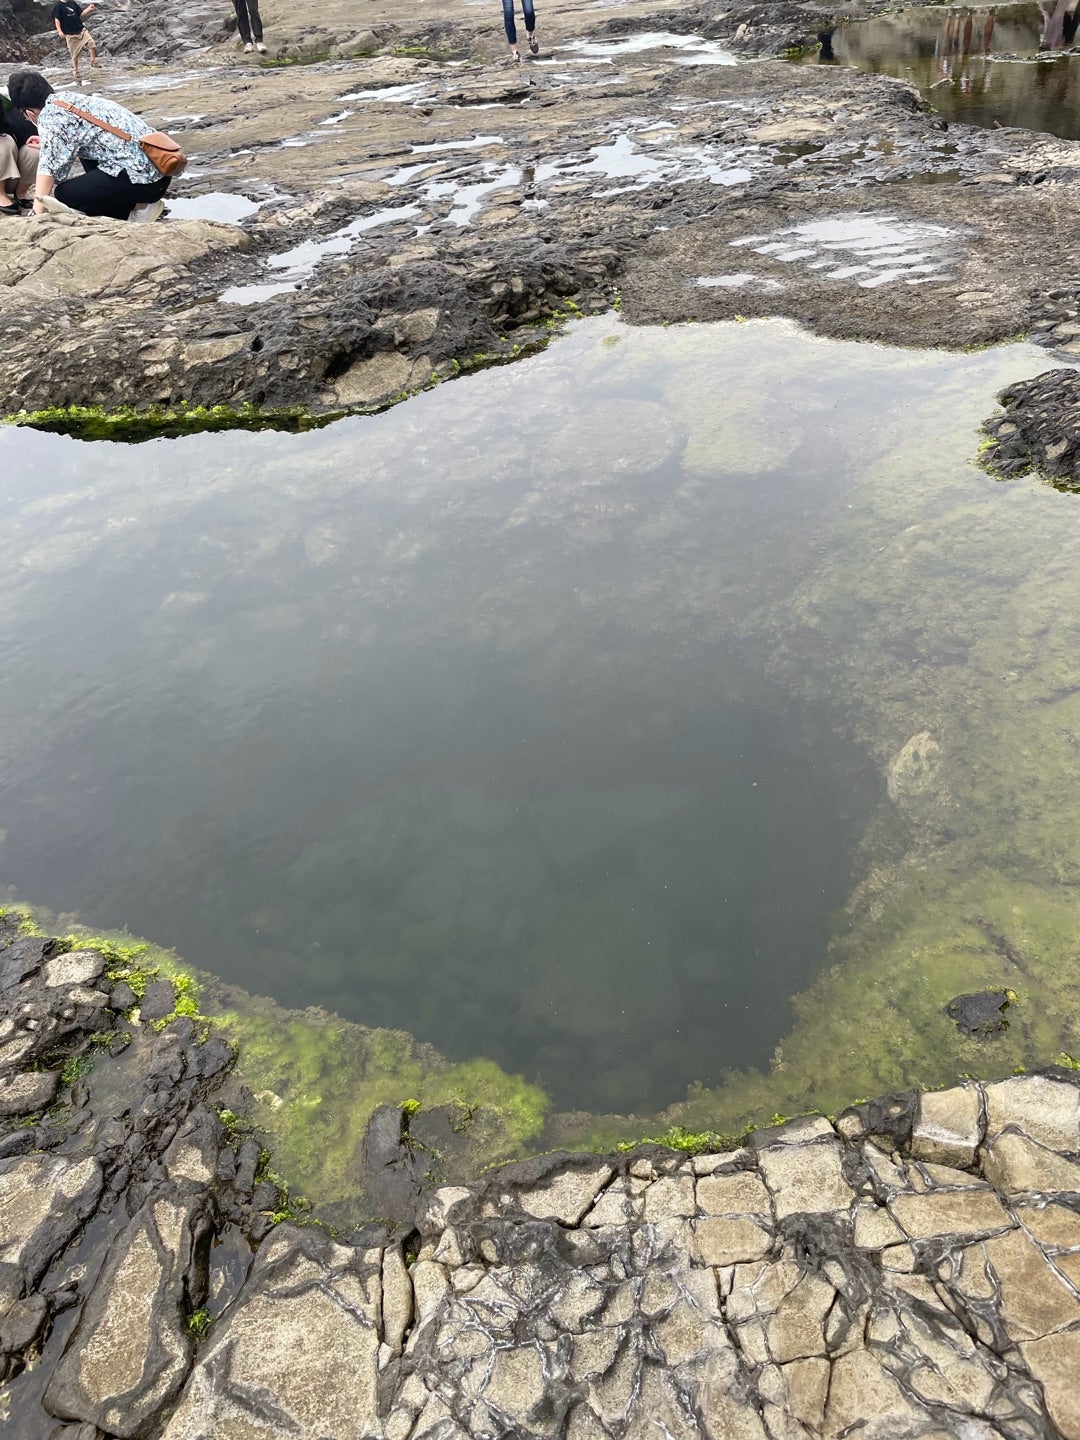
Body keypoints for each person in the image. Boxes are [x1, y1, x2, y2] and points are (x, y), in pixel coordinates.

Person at [7, 69, 171, 222]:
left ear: (29, 112)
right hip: (159, 168)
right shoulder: (69, 99)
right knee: (85, 156)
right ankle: (131, 205)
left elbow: (47, 170)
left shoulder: (50, 116)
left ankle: (141, 206)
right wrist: (49, 145)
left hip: (144, 183)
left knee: (64, 194)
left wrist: (36, 214)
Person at [0, 94, 39, 215]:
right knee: (4, 142)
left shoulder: (7, 104)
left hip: (12, 171)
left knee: (34, 150)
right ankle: (1, 194)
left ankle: (21, 192)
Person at [51, 0, 99, 85]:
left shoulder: (72, 3)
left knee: (91, 43)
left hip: (81, 30)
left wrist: (89, 9)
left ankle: (93, 61)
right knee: (74, 54)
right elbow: (57, 19)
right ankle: (75, 70)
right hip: (70, 34)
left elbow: (81, 13)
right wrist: (60, 31)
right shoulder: (58, 6)